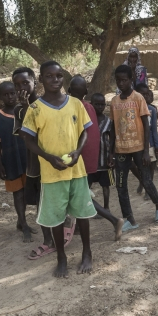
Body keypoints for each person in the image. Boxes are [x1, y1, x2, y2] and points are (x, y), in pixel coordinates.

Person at [21, 61, 97, 277]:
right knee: (56, 217)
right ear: (41, 79)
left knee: (82, 214)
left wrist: (77, 152)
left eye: (58, 76)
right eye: (49, 76)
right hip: (52, 174)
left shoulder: (75, 104)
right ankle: (61, 257)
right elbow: (28, 139)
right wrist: (48, 157)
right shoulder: (35, 109)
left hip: (77, 170)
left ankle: (87, 253)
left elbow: (85, 132)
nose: (55, 80)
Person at [13, 67, 72, 260]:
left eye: (25, 83)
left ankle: (66, 227)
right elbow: (24, 135)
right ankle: (48, 240)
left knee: (63, 197)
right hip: (35, 164)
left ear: (35, 82)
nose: (22, 87)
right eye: (17, 85)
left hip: (54, 160)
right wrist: (24, 109)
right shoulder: (19, 109)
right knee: (40, 202)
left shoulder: (46, 102)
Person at [110, 65, 158, 232]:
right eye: (118, 80)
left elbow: (146, 125)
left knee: (146, 180)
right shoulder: (114, 102)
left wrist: (146, 150)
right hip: (121, 150)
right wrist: (111, 152)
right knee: (121, 186)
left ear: (131, 80)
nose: (121, 83)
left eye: (125, 80)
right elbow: (113, 128)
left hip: (138, 148)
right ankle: (129, 219)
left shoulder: (138, 98)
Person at [68, 77, 123, 241]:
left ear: (69, 91)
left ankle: (114, 220)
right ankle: (78, 226)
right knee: (79, 194)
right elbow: (92, 137)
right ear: (86, 92)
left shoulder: (74, 108)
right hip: (89, 159)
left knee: (81, 194)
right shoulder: (89, 108)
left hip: (78, 159)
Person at [0, 81, 33, 242]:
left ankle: (21, 222)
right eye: (6, 94)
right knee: (18, 193)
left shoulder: (24, 111)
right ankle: (24, 224)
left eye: (12, 93)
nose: (10, 97)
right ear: (0, 97)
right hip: (11, 161)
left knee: (27, 192)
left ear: (17, 92)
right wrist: (0, 165)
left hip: (27, 158)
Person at [133, 83, 158, 199]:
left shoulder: (152, 110)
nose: (143, 96)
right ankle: (142, 183)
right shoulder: (132, 109)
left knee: (151, 166)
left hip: (151, 143)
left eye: (145, 94)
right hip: (138, 143)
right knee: (141, 166)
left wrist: (156, 145)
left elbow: (154, 129)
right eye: (141, 94)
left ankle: (149, 189)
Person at [89, 93, 114, 211]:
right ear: (91, 104)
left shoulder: (108, 121)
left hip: (104, 160)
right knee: (86, 186)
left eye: (102, 104)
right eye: (97, 104)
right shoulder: (87, 120)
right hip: (90, 161)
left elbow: (112, 139)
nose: (100, 107)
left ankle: (106, 207)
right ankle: (88, 208)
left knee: (106, 185)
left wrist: (112, 156)